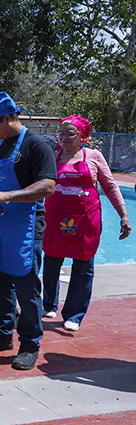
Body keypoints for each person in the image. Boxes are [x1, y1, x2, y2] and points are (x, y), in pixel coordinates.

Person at [0, 92, 56, 371]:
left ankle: (30, 344)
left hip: (25, 227)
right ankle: (1, 334)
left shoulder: (36, 145)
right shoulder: (1, 143)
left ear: (7, 117)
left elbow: (47, 186)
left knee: (26, 287)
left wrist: (8, 196)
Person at [42, 115, 130, 331]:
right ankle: (49, 304)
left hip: (85, 221)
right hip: (55, 218)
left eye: (70, 133)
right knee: (51, 262)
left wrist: (123, 214)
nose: (64, 137)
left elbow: (110, 186)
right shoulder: (51, 155)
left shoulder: (94, 156)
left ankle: (74, 315)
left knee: (83, 267)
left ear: (82, 136)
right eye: (61, 133)